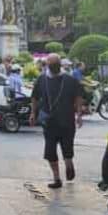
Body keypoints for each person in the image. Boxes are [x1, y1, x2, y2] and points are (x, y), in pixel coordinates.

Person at [29, 54, 84, 188]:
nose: (52, 68)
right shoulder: (42, 80)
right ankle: (57, 178)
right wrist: (33, 113)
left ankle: (68, 165)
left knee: (67, 148)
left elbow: (78, 98)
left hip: (66, 120)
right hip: (50, 121)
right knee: (50, 151)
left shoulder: (70, 80)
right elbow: (34, 97)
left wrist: (79, 114)